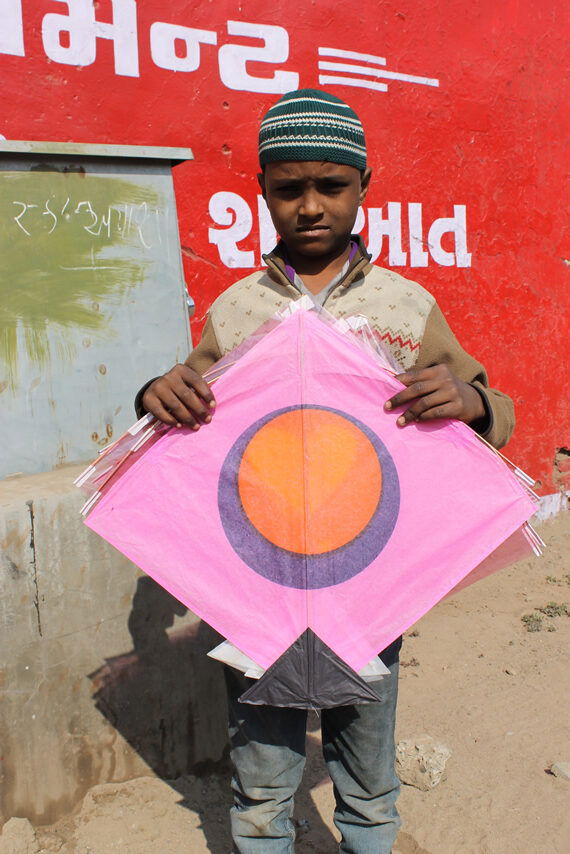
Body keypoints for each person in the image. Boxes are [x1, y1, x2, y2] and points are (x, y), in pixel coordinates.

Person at [137, 89, 514, 854]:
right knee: (261, 782)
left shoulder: (404, 308)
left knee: (368, 780)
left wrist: (473, 402)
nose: (310, 206)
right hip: (256, 588)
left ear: (364, 184)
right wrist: (153, 396)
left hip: (368, 591)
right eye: (289, 188)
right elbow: (185, 421)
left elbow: (495, 411)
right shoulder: (237, 311)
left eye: (332, 185)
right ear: (263, 191)